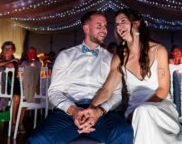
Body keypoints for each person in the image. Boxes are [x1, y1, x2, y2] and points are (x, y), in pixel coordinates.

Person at [78, 9, 182, 144]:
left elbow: (163, 90)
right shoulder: (120, 57)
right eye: (116, 24)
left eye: (123, 21)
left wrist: (141, 109)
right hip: (133, 112)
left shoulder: (159, 50)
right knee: (141, 114)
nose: (119, 27)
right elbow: (107, 90)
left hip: (161, 108)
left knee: (143, 112)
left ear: (136, 23)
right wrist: (90, 110)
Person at [29, 10, 133, 143]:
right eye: (99, 25)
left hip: (101, 114)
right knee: (38, 138)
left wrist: (99, 111)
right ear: (86, 28)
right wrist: (73, 110)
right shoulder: (65, 56)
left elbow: (117, 94)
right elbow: (54, 92)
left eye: (106, 26)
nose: (104, 30)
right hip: (68, 113)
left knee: (124, 133)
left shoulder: (112, 59)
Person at [0, 41, 25, 133]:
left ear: (13, 51)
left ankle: (19, 122)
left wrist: (4, 64)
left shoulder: (15, 61)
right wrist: (5, 63)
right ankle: (13, 123)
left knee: (24, 98)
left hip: (13, 83)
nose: (6, 51)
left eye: (9, 49)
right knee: (17, 97)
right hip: (2, 85)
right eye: (5, 49)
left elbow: (11, 66)